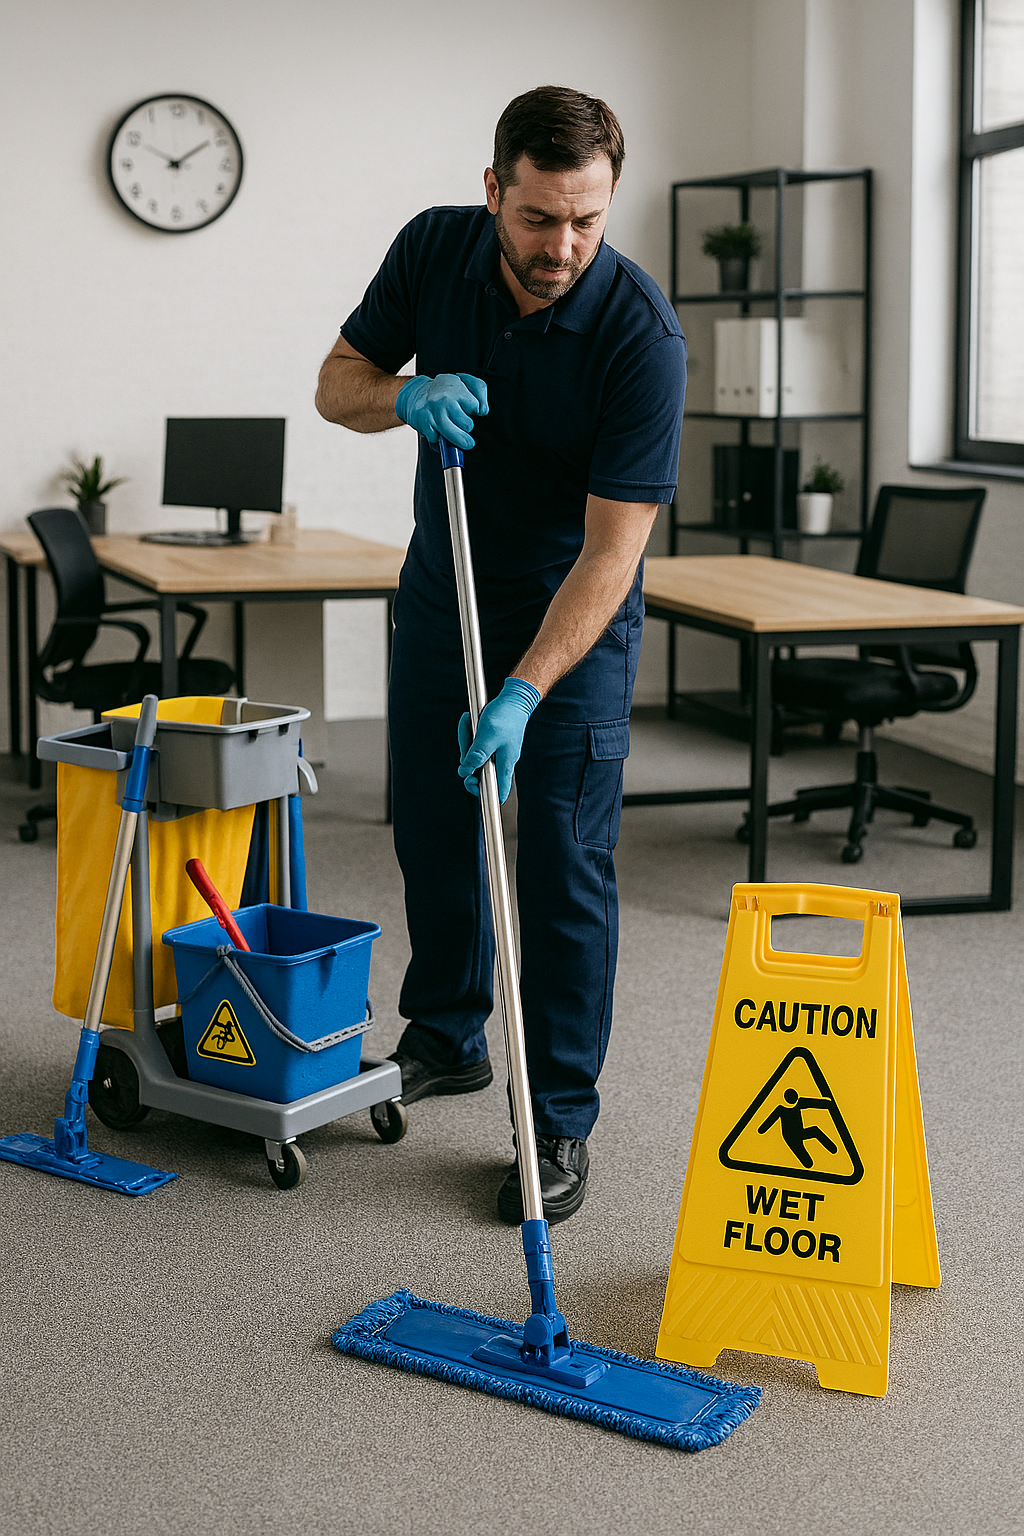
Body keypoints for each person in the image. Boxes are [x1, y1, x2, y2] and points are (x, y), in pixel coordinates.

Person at [316, 85, 686, 1224]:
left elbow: (614, 553)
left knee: (561, 866)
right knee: (431, 828)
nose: (561, 246)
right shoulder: (433, 249)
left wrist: (524, 691)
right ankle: (446, 1035)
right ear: (494, 193)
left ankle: (558, 1119)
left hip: (570, 624)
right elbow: (336, 387)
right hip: (443, 597)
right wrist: (404, 394)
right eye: (537, 218)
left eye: (586, 219)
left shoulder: (639, 336)